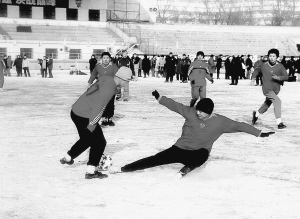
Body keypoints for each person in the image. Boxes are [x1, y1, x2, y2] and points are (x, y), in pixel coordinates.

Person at [109, 90, 275, 178]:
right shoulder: (190, 112)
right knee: (154, 159)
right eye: (198, 111)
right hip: (179, 148)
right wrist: (160, 98)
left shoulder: (221, 122)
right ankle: (125, 169)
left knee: (203, 155)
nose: (198, 114)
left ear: (210, 112)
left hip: (198, 151)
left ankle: (184, 171)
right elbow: (175, 105)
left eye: (202, 113)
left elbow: (240, 126)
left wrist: (259, 133)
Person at [60, 55, 123, 179]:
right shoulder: (108, 90)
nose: (126, 84)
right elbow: (98, 109)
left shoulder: (106, 78)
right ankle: (91, 171)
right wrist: (91, 126)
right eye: (126, 81)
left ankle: (67, 158)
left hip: (76, 110)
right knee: (99, 142)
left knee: (86, 139)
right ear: (121, 79)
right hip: (84, 115)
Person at [251, 48, 289, 129]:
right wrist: (253, 78)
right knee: (277, 101)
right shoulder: (264, 65)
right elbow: (256, 70)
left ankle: (256, 114)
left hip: (276, 89)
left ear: (277, 57)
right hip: (267, 89)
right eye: (270, 56)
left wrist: (279, 77)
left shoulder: (280, 66)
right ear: (268, 57)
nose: (271, 57)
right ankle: (279, 123)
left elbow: (286, 76)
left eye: (273, 56)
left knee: (267, 104)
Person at [88, 52, 119, 126]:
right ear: (102, 59)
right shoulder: (98, 66)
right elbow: (93, 74)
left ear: (110, 59)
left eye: (107, 58)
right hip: (101, 88)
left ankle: (110, 118)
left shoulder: (113, 66)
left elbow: (118, 76)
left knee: (111, 103)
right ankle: (104, 119)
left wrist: (118, 85)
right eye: (104, 58)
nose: (105, 59)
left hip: (111, 88)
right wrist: (90, 82)